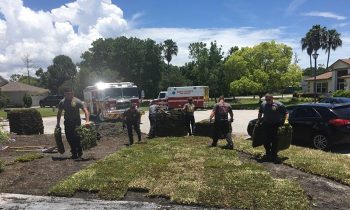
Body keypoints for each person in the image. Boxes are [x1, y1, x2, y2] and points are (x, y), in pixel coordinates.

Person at [56, 90, 90, 159]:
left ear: (73, 94)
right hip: (68, 122)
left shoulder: (77, 101)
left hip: (76, 122)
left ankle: (79, 151)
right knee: (69, 138)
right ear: (65, 94)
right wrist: (58, 124)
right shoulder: (62, 102)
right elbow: (59, 113)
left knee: (77, 138)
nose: (69, 95)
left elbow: (86, 111)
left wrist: (87, 121)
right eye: (67, 94)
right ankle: (74, 152)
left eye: (71, 94)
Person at [258, 93, 288, 162]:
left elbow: (286, 113)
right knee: (266, 140)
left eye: (268, 99)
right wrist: (259, 120)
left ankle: (274, 154)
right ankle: (268, 153)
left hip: (276, 124)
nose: (267, 101)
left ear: (272, 98)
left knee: (275, 140)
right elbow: (260, 112)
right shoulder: (263, 104)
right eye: (266, 99)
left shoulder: (279, 104)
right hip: (266, 124)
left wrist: (286, 121)